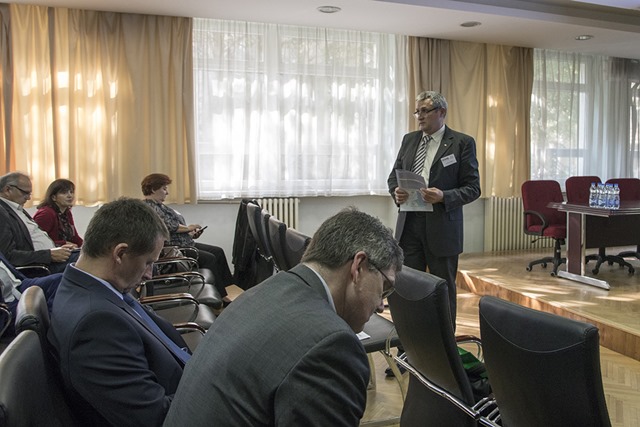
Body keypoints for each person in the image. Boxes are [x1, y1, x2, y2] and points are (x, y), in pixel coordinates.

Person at [164, 207, 404, 427]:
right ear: (358, 267)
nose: (380, 305)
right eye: (384, 288)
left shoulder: (263, 292)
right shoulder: (332, 346)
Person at [48, 198, 190, 427]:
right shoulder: (95, 324)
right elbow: (156, 418)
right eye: (148, 262)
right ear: (120, 253)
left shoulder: (95, 287)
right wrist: (216, 392)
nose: (150, 274)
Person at [388, 91, 480, 324]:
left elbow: (473, 188)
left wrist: (443, 196)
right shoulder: (409, 140)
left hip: (442, 228)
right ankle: (411, 338)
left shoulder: (462, 143)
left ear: (441, 112)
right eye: (417, 111)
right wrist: (396, 192)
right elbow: (393, 177)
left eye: (425, 111)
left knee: (443, 289)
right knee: (409, 285)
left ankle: (445, 339)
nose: (419, 116)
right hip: (409, 225)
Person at [141, 173, 234, 306]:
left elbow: (174, 229)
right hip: (174, 249)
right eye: (164, 189)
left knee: (218, 251)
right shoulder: (150, 207)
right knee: (210, 258)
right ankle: (222, 298)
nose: (167, 192)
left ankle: (227, 289)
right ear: (153, 189)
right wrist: (189, 228)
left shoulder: (159, 206)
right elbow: (169, 226)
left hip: (184, 243)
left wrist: (190, 234)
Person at [0, 172, 78, 273]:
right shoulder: (2, 212)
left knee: (89, 255)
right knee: (90, 259)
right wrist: (49, 255)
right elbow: (8, 255)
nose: (28, 198)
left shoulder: (17, 209)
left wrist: (57, 247)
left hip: (50, 258)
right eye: (25, 193)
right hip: (40, 266)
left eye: (29, 194)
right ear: (7, 190)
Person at [0, 251, 63, 336]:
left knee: (60, 279)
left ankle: (58, 325)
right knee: (38, 313)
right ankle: (55, 334)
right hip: (7, 305)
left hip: (19, 285)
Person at [33, 178, 83, 248]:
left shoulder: (67, 213)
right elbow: (37, 241)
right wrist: (63, 243)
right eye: (64, 193)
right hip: (51, 252)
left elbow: (75, 237)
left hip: (66, 251)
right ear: (54, 197)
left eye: (71, 192)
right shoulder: (46, 214)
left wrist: (87, 246)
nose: (70, 196)